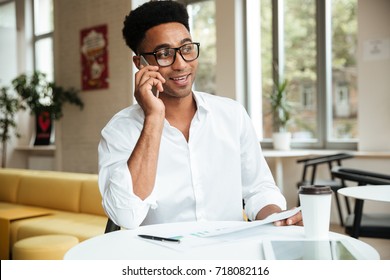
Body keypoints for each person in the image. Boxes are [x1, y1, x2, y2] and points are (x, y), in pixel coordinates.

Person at [98, 0, 302, 229]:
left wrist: (277, 217)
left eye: (186, 49)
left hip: (231, 254)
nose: (180, 64)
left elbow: (259, 190)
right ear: (141, 63)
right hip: (161, 260)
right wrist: (154, 118)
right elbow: (125, 215)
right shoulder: (120, 130)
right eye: (164, 53)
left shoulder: (231, 115)